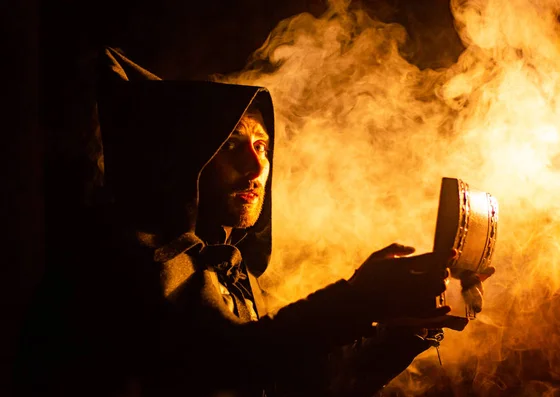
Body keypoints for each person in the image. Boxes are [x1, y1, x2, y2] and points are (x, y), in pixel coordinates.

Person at [13, 47, 491, 397]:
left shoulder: (230, 275)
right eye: (231, 145)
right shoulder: (123, 262)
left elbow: (296, 384)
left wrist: (405, 328)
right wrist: (361, 297)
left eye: (262, 146)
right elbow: (227, 360)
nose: (257, 167)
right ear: (182, 158)